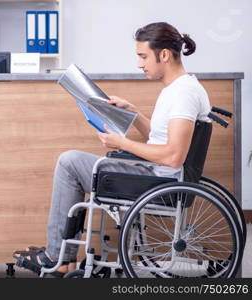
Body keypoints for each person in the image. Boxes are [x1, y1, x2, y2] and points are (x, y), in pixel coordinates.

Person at [13, 22, 211, 277]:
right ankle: (62, 254)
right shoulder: (177, 89)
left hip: (156, 181)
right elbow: (159, 139)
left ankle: (59, 256)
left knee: (69, 161)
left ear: (164, 54)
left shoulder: (183, 93)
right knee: (75, 161)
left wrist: (122, 143)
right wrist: (133, 112)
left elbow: (173, 156)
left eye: (143, 56)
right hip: (154, 174)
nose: (139, 64)